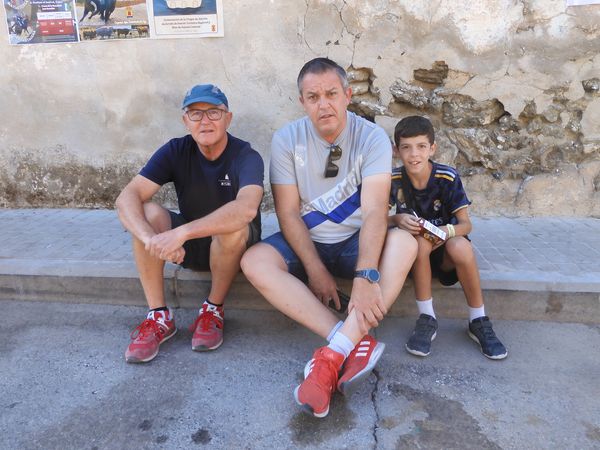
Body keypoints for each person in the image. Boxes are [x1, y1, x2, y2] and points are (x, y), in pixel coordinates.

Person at [241, 58, 417, 418]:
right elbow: (288, 213)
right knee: (254, 261)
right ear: (302, 102)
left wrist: (366, 275)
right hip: (307, 242)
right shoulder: (287, 139)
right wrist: (315, 269)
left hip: (355, 241)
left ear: (347, 96)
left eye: (331, 94)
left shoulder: (371, 138)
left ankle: (333, 355)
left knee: (405, 243)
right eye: (313, 97)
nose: (323, 104)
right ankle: (350, 339)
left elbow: (374, 211)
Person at [116, 84, 264, 364]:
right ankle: (158, 316)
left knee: (232, 226)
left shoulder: (246, 156)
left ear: (228, 118)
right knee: (146, 213)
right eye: (196, 114)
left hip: (235, 250)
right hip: (189, 247)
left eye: (214, 112)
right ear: (186, 121)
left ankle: (213, 309)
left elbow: (246, 209)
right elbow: (127, 197)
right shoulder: (176, 150)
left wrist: (180, 233)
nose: (205, 120)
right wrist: (152, 240)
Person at [389, 115, 507, 360]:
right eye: (406, 147)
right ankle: (427, 317)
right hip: (413, 256)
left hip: (446, 254)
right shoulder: (393, 180)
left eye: (421, 146)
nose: (414, 154)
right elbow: (377, 219)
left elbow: (466, 225)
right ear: (396, 151)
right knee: (420, 242)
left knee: (461, 247)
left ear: (432, 148)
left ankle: (478, 319)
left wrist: (445, 231)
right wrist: (397, 219)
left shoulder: (447, 177)